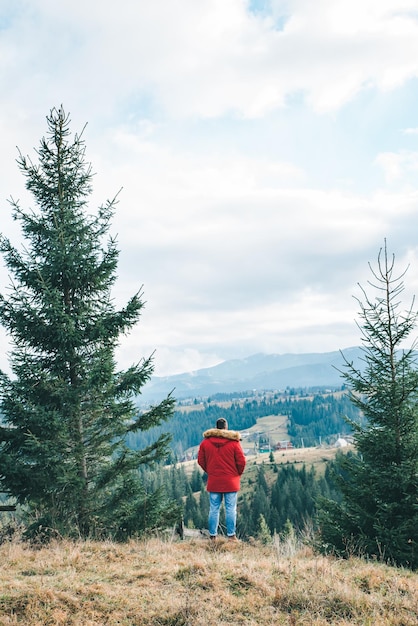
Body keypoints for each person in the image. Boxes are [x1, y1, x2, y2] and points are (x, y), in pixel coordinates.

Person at [197, 417, 246, 541]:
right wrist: (236, 474)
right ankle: (231, 536)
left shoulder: (205, 443)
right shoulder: (234, 443)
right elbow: (241, 461)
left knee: (214, 509)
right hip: (231, 481)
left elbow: (201, 461)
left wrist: (210, 471)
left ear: (216, 427)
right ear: (226, 427)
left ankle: (213, 536)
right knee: (230, 509)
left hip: (214, 481)